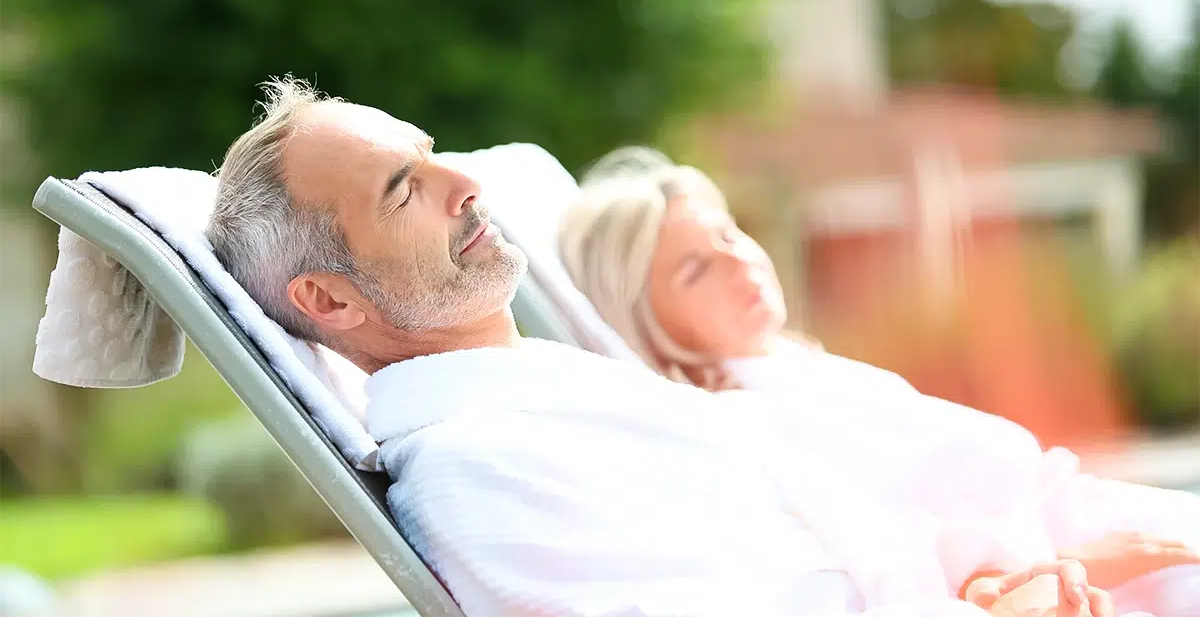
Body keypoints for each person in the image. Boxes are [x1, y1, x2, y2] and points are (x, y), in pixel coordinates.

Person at [205, 77, 1110, 617]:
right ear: (327, 297)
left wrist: (983, 581)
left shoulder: (564, 394)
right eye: (404, 189)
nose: (464, 180)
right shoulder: (473, 471)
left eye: (432, 153)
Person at [557, 145, 1200, 614]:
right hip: (1076, 576)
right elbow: (898, 557)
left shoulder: (801, 370)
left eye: (730, 233)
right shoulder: (742, 423)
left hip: (1096, 528)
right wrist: (1081, 564)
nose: (738, 261)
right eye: (694, 270)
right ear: (644, 319)